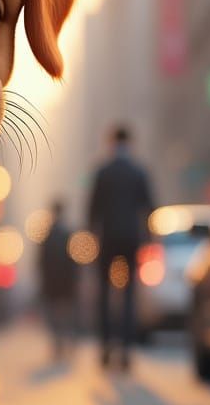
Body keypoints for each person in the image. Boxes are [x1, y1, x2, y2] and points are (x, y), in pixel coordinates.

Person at [87, 125, 154, 370]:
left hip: (107, 239)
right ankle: (126, 348)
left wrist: (91, 237)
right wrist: (148, 239)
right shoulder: (139, 172)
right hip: (131, 239)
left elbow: (92, 209)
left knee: (104, 294)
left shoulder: (103, 171)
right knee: (128, 295)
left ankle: (106, 346)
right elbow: (149, 207)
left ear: (111, 142)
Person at [38, 199, 79, 361]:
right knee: (67, 314)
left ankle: (58, 344)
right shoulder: (69, 234)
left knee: (53, 314)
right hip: (66, 282)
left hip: (51, 282)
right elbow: (74, 261)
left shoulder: (47, 235)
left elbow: (40, 261)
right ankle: (67, 342)